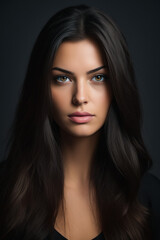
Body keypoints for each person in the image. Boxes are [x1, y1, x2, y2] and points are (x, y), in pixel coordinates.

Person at [0, 4, 159, 240]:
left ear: (117, 86)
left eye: (98, 77)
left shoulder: (149, 196)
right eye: (62, 78)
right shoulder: (5, 190)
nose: (80, 97)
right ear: (42, 87)